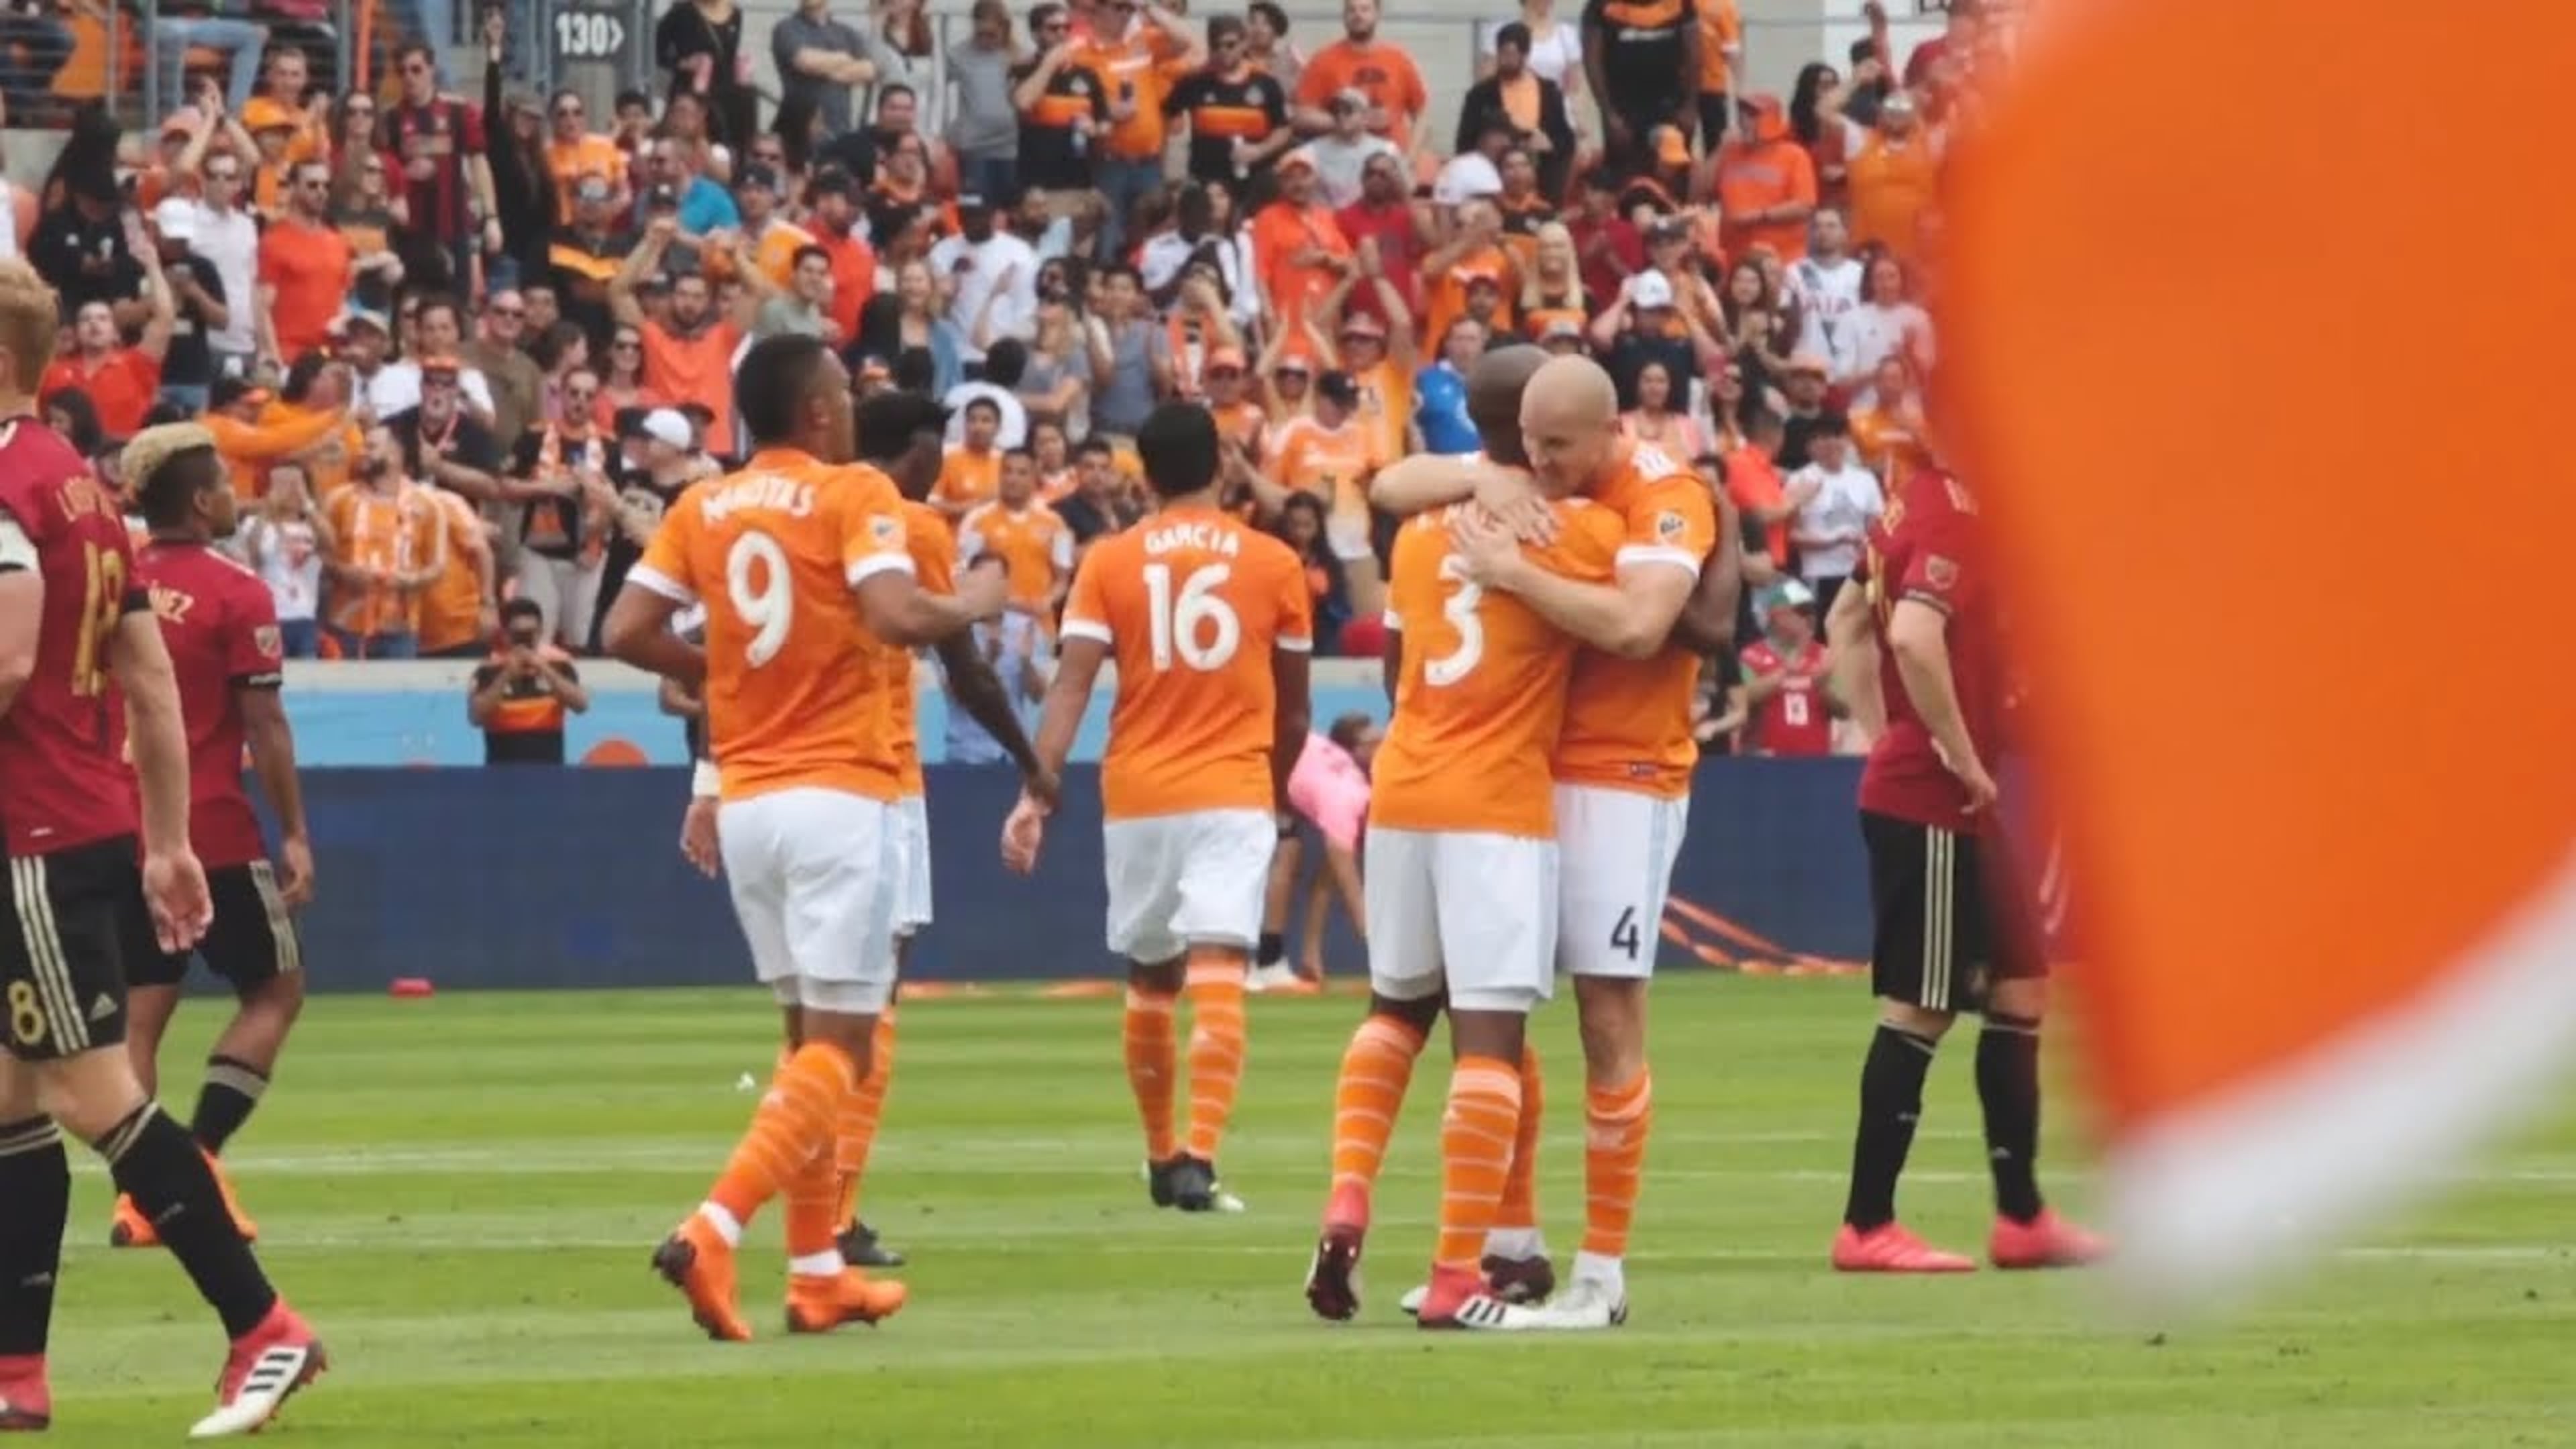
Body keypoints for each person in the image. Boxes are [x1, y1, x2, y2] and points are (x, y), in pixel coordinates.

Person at [600, 333, 1015, 1341]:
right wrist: (978, 600)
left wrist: (736, 673)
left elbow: (624, 634)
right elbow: (893, 610)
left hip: (750, 799)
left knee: (803, 1040)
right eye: (842, 384)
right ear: (821, 410)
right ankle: (715, 1225)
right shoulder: (851, 492)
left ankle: (818, 1269)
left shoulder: (704, 503)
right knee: (846, 1041)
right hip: (845, 791)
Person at [0, 260, 323, 1437]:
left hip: (27, 831)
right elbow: (141, 676)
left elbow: (4, 659)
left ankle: (263, 1327)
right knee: (12, 1103)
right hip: (86, 819)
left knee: (94, 1094)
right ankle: (18, 1375)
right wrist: (172, 843)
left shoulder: (5, 487)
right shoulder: (86, 493)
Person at [1361, 352, 1740, 1330]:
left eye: (1555, 446)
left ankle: (1602, 1276)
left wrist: (1512, 572)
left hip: (1622, 776)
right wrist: (1481, 474)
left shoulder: (1662, 493)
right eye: (1525, 444)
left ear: (1606, 430)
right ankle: (1511, 1249)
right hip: (1525, 777)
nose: (1538, 461)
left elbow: (1639, 628)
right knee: (1497, 1009)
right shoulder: (1535, 477)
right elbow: (1391, 483)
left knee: (1608, 1021)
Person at [1001, 403, 1313, 1215]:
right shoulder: (1273, 562)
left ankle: (1157, 1154)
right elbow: (1294, 712)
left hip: (1138, 790)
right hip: (1231, 787)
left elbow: (1071, 683)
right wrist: (1274, 792)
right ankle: (1199, 1157)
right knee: (1219, 969)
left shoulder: (1111, 560)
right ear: (1220, 466)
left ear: (1145, 473)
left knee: (1149, 974)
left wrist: (1037, 791)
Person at [1821, 421, 2106, 1273]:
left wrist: (1885, 732)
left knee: (2021, 987)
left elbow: (1846, 621)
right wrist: (1951, 748)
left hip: (1937, 793)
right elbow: (1909, 635)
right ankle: (1867, 1225)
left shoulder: (1912, 503)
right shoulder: (1956, 515)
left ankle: (2022, 1217)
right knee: (1922, 1007)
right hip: (1934, 801)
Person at [108, 423, 313, 1260]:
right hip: (212, 831)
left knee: (140, 1015)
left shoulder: (113, 582)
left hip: (119, 828)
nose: (236, 495)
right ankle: (195, 1160)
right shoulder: (236, 593)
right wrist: (295, 832)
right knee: (275, 990)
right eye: (226, 482)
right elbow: (264, 727)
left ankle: (136, 1196)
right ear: (200, 501)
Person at [468, 600, 592, 765]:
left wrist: (544, 669)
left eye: (531, 633)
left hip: (549, 774)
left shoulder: (560, 667)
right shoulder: (487, 672)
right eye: (518, 635)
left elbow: (581, 705)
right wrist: (506, 676)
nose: (525, 641)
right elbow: (476, 717)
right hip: (501, 776)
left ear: (540, 632)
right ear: (505, 634)